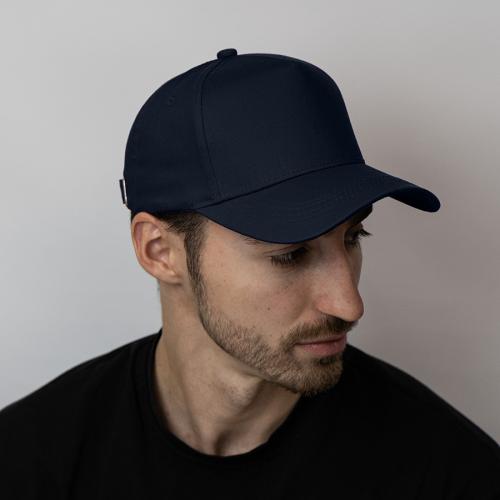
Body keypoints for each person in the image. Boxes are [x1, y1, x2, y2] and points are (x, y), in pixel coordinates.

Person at [1, 48, 499, 499]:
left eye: (353, 238)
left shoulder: (449, 472)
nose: (349, 304)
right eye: (290, 255)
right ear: (159, 251)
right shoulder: (30, 463)